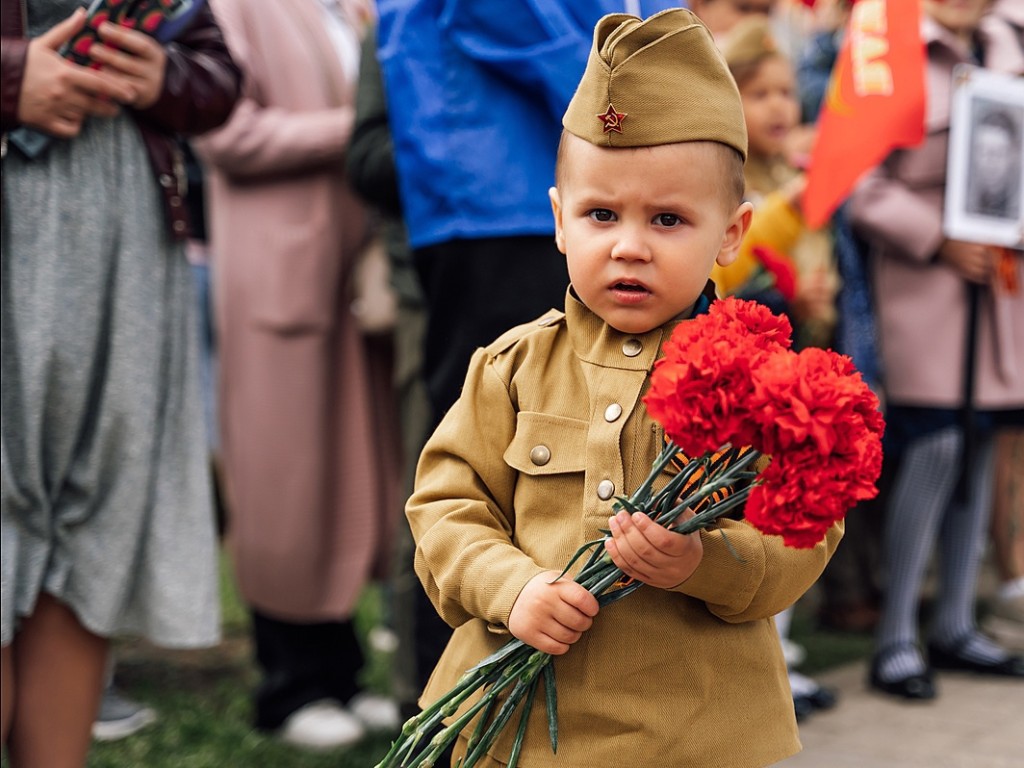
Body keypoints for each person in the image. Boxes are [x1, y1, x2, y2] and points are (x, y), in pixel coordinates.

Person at [405, 9, 843, 767]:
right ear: (559, 221)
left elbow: (802, 535)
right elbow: (446, 509)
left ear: (732, 233)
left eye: (668, 219)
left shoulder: (761, 385)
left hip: (695, 732)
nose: (629, 246)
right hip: (522, 738)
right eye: (600, 214)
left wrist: (705, 561)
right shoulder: (509, 369)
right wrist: (510, 590)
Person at [375, 0, 676, 702]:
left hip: (611, 169)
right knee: (482, 456)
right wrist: (625, 99)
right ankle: (453, 700)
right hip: (494, 186)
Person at [0, 2, 241, 765]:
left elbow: (217, 75)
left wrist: (165, 76)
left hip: (128, 224)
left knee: (92, 521)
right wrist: (10, 80)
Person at [194, 0, 401, 751]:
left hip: (346, 275)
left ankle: (341, 675)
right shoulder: (231, 5)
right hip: (278, 276)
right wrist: (363, 129)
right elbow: (226, 131)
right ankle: (288, 686)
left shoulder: (343, 7)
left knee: (347, 479)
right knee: (284, 482)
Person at [848, 0, 1024, 701]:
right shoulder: (886, 52)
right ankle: (896, 637)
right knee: (935, 447)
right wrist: (938, 237)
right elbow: (861, 186)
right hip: (926, 289)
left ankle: (954, 624)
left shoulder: (1010, 44)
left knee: (983, 449)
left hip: (1002, 292)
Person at [711, 14, 842, 722]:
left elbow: (810, 273)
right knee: (750, 522)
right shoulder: (732, 183)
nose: (780, 108)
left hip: (793, 379)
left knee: (788, 521)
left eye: (787, 92)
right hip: (744, 391)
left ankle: (779, 654)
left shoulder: (790, 175)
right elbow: (731, 275)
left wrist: (815, 294)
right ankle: (758, 661)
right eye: (759, 93)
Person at [965, 105, 1021, 220]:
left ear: (1012, 156)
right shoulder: (966, 199)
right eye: (983, 151)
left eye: (998, 153)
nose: (989, 162)